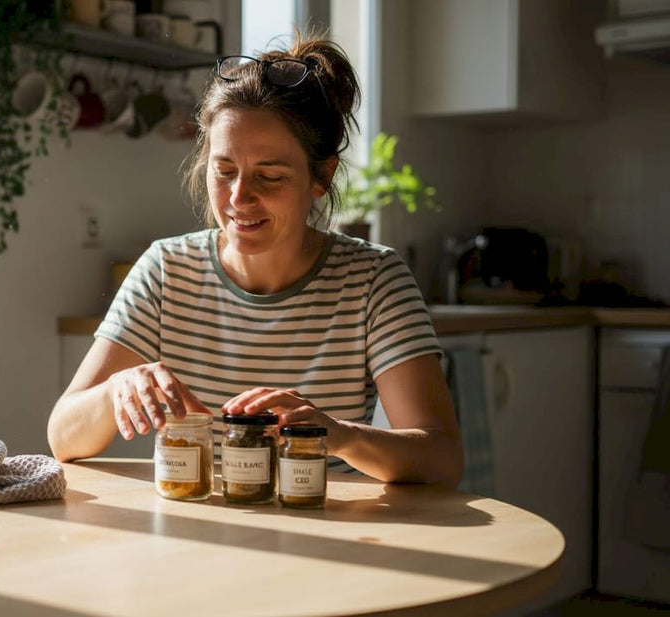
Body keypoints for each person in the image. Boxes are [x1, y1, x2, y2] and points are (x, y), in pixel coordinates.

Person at [47, 35, 463, 487]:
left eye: (270, 176)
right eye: (224, 171)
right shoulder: (166, 270)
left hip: (325, 534)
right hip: (194, 534)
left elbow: (441, 458)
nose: (239, 197)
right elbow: (63, 437)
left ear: (321, 176)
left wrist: (338, 436)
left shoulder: (373, 281)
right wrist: (113, 393)